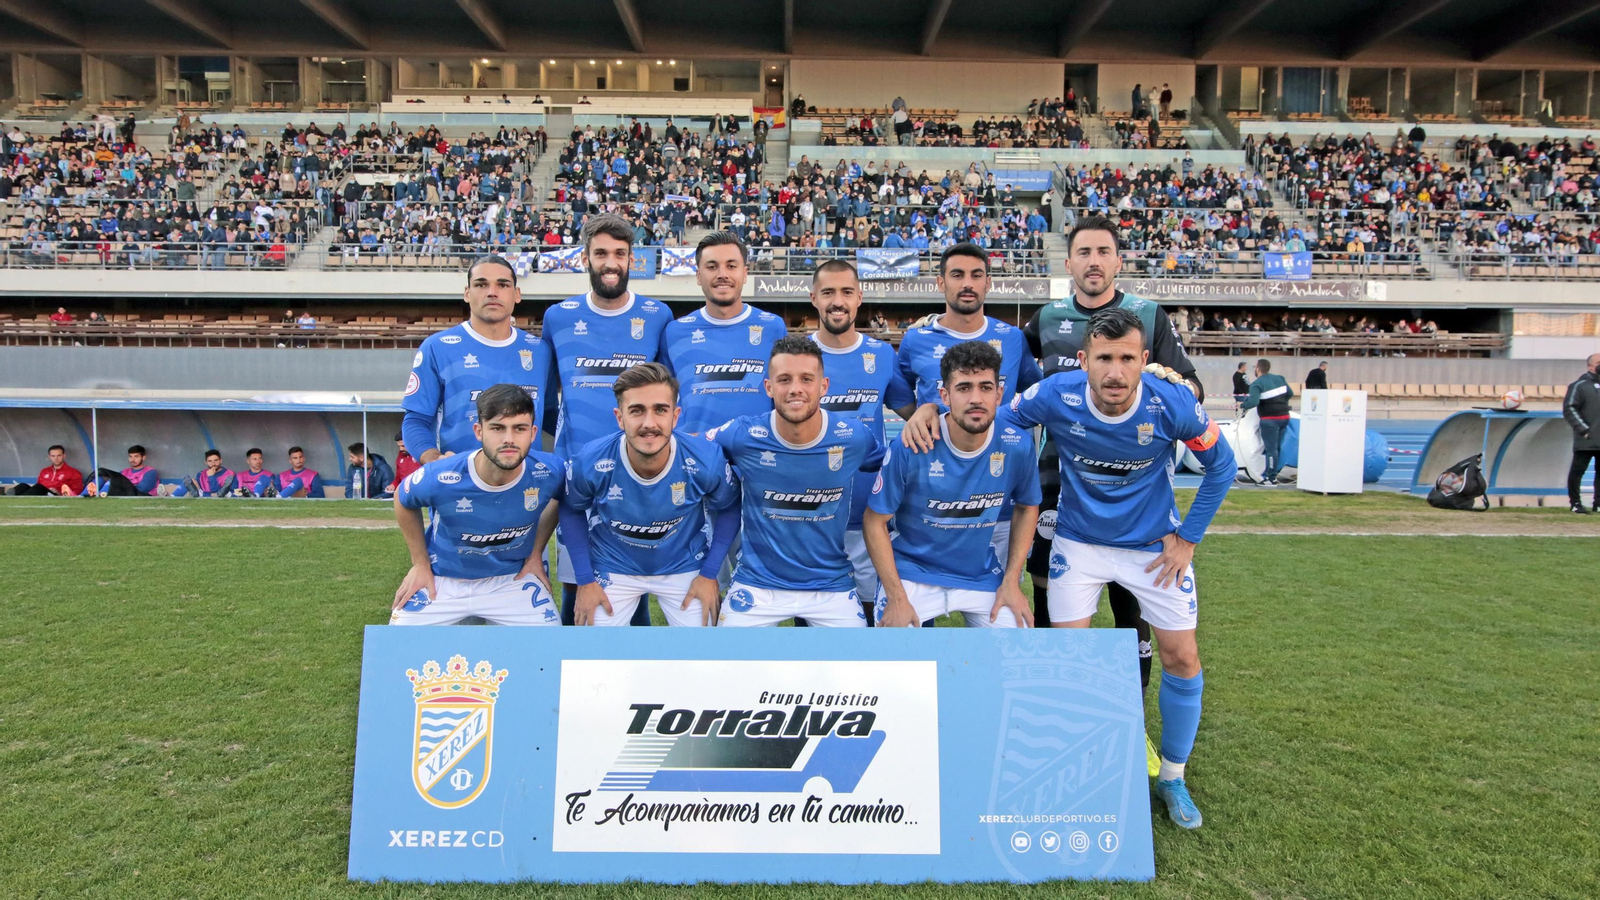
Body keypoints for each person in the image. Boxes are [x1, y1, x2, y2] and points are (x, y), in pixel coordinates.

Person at [1007, 308, 1235, 830]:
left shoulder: (1172, 401)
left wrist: (1188, 539)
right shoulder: (1056, 394)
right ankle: (1075, 762)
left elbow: (1221, 466)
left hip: (1154, 549)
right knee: (1069, 662)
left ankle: (1173, 776)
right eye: (1104, 358)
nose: (1115, 371)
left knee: (1182, 657)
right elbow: (1006, 422)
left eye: (1127, 359)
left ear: (1144, 361)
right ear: (1084, 360)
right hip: (1079, 545)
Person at [1019, 214, 1203, 698]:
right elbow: (1020, 393)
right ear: (1069, 262)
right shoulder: (1045, 320)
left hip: (1131, 486)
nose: (1094, 261)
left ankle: (1132, 721)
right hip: (1056, 482)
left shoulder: (1149, 316)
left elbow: (1191, 389)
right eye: (1084, 252)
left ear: (1119, 261)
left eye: (1103, 252)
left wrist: (1165, 381)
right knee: (1048, 595)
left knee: (1129, 607)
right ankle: (1052, 704)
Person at [542, 214, 673, 625]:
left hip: (638, 473)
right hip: (577, 472)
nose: (610, 262)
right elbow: (547, 399)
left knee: (635, 582)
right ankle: (571, 682)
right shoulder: (558, 317)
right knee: (577, 586)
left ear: (633, 259)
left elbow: (666, 393)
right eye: (601, 253)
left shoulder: (658, 315)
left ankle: (637, 683)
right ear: (586, 259)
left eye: (619, 253)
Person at [704, 336, 885, 627]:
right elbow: (688, 451)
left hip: (831, 584)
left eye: (806, 379)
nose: (795, 389)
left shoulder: (853, 437)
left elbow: (899, 462)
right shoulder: (743, 434)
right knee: (729, 667)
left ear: (823, 386)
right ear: (769, 387)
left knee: (854, 668)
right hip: (757, 584)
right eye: (784, 379)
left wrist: (928, 414)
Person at [865, 340, 1040, 628]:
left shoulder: (1017, 445)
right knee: (895, 658)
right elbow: (874, 522)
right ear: (944, 395)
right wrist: (896, 596)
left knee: (1014, 651)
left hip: (979, 575)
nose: (975, 398)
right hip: (913, 574)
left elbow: (1028, 506)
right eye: (963, 388)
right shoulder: (912, 444)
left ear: (999, 394)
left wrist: (1011, 581)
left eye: (985, 387)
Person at [559, 363, 740, 626]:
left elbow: (730, 505)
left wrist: (710, 574)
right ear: (620, 417)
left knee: (705, 656)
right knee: (593, 656)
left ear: (675, 416)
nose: (649, 423)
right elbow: (571, 507)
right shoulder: (591, 459)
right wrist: (586, 580)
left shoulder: (705, 458)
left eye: (660, 410)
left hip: (685, 566)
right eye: (636, 411)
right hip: (613, 565)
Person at [390, 384, 563, 626]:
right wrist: (420, 563)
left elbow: (560, 497)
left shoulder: (550, 470)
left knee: (549, 649)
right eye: (497, 428)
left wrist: (535, 553)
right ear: (478, 431)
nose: (509, 439)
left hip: (509, 581)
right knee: (397, 646)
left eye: (519, 429)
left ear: (533, 433)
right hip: (443, 581)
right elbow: (402, 498)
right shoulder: (443, 475)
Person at [806, 260, 917, 613]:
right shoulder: (794, 356)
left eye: (846, 292)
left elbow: (912, 414)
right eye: (828, 293)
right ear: (813, 299)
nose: (837, 301)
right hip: (811, 513)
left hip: (869, 516)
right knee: (814, 623)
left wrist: (929, 411)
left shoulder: (882, 354)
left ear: (859, 298)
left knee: (871, 619)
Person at [401, 255, 553, 465]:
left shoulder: (540, 351)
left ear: (517, 294)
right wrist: (433, 459)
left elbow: (553, 415)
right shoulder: (437, 348)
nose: (492, 292)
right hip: (461, 481)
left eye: (503, 284)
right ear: (467, 293)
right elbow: (415, 420)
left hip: (525, 484)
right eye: (481, 284)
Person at [658, 231, 787, 436]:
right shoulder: (675, 332)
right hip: (696, 457)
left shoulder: (774, 328)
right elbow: (661, 399)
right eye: (712, 267)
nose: (722, 274)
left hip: (758, 456)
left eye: (731, 266)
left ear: (744, 274)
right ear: (699, 276)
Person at [1241, 359, 1293, 485]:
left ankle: (1270, 478)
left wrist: (1242, 405)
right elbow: (1290, 393)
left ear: (1258, 369)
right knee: (1277, 448)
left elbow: (1253, 402)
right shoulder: (1280, 379)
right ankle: (1274, 474)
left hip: (1270, 419)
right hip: (1284, 417)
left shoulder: (1257, 384)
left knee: (1271, 449)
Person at [1564, 352, 1600, 513]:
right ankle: (1575, 503)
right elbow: (1570, 408)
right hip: (1586, 439)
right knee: (1577, 471)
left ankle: (1598, 503)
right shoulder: (1579, 385)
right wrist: (1584, 430)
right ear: (1590, 366)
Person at [83, 445, 159, 497]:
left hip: (140, 495)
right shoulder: (124, 472)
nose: (132, 460)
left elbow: (143, 489)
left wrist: (122, 486)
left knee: (112, 481)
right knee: (100, 477)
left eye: (136, 457)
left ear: (143, 457)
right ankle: (82, 496)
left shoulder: (150, 472)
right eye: (130, 457)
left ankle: (101, 495)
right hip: (124, 493)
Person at [10, 445, 84, 496]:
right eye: (53, 456)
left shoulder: (73, 472)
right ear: (49, 457)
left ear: (64, 456)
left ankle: (19, 500)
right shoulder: (44, 471)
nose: (56, 458)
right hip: (40, 493)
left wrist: (60, 493)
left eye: (59, 455)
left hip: (56, 495)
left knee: (39, 487)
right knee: (23, 485)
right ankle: (5, 498)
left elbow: (77, 492)